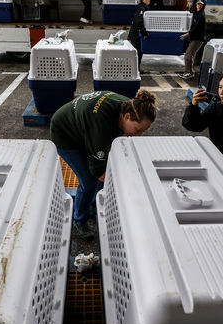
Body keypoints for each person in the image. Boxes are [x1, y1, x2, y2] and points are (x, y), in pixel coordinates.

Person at [50, 89, 158, 240]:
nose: (138, 135)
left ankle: (95, 204)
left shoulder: (131, 106)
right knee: (88, 180)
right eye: (138, 130)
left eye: (143, 132)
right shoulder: (101, 125)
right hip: (65, 133)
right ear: (127, 117)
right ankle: (79, 219)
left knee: (105, 167)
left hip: (85, 127)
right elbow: (99, 172)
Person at [180, 0, 206, 79]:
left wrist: (187, 34)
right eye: (198, 4)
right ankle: (190, 72)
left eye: (201, 4)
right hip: (194, 38)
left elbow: (196, 28)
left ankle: (188, 72)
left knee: (188, 55)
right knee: (190, 55)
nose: (199, 6)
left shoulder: (201, 15)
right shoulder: (196, 13)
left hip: (198, 39)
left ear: (203, 5)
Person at [129, 0, 151, 74]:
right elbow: (139, 21)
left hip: (138, 35)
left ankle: (137, 69)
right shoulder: (141, 8)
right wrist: (144, 33)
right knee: (136, 53)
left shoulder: (144, 7)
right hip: (135, 35)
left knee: (139, 53)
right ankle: (134, 70)